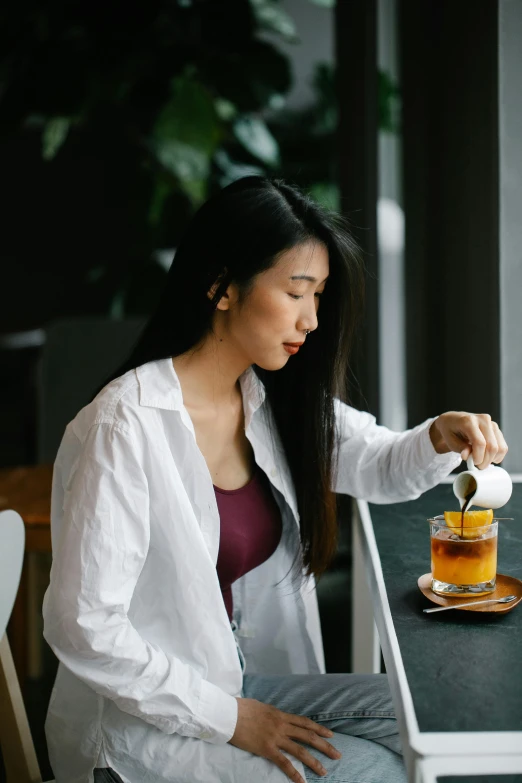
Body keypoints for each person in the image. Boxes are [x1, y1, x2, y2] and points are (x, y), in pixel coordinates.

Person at [42, 177, 508, 783]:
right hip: (137, 731)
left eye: (319, 296)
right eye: (296, 293)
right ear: (222, 287)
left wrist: (441, 434)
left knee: (435, 725)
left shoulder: (264, 398)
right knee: (378, 772)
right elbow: (84, 627)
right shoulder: (126, 425)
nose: (312, 320)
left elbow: (376, 461)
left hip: (234, 680)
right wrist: (232, 719)